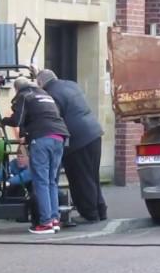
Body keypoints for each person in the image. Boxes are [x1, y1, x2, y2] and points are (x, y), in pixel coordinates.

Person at [35, 69, 107, 223]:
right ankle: (101, 209)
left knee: (80, 177)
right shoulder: (71, 85)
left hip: (77, 139)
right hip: (94, 132)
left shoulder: (50, 94)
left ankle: (90, 213)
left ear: (40, 83)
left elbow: (54, 118)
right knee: (93, 175)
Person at [2, 76, 69, 234]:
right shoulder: (46, 95)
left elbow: (17, 120)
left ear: (17, 89)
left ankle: (45, 222)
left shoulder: (24, 95)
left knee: (41, 181)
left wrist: (3, 121)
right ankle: (54, 219)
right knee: (52, 181)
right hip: (60, 137)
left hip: (42, 138)